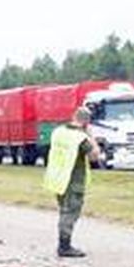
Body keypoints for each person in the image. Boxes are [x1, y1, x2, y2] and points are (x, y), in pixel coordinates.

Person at [42, 105, 103, 257]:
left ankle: (64, 244)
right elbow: (94, 155)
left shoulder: (59, 132)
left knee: (64, 210)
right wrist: (91, 137)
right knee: (70, 213)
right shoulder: (80, 138)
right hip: (73, 180)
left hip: (57, 178)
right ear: (87, 122)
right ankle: (64, 246)